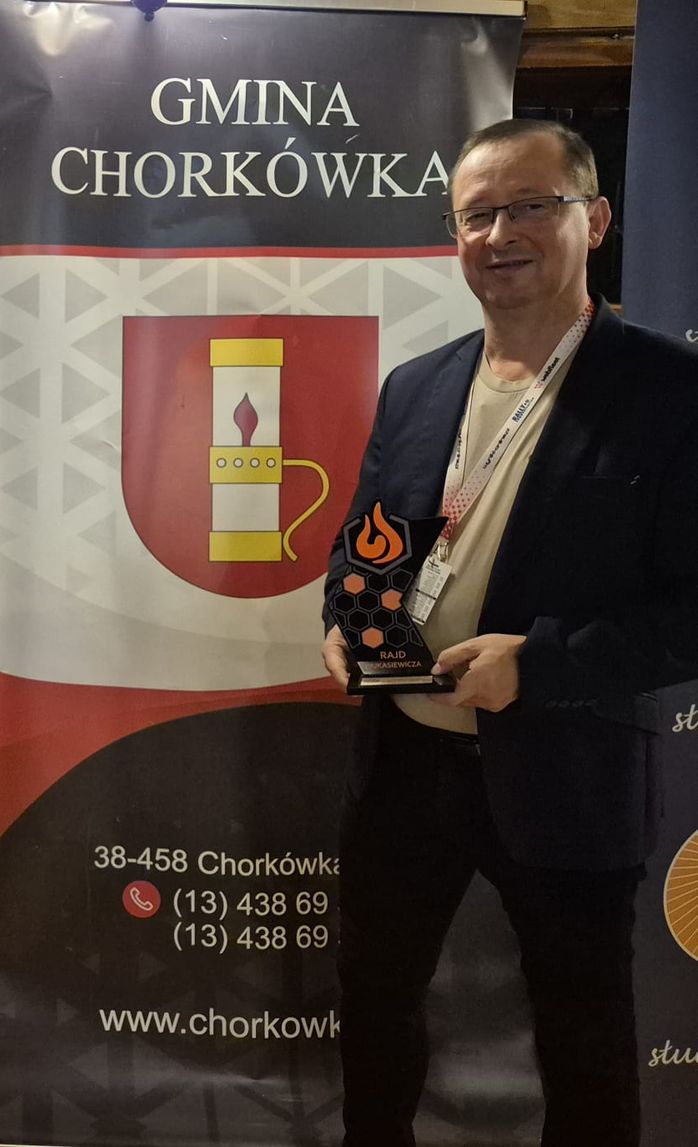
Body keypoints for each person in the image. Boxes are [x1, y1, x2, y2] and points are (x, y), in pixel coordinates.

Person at [321, 119, 698, 1147]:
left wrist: (542, 663)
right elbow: (367, 540)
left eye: (532, 205)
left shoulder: (672, 394)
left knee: (585, 1039)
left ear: (596, 219)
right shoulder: (417, 385)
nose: (499, 234)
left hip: (568, 769)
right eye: (476, 214)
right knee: (375, 1009)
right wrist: (346, 619)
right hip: (402, 765)